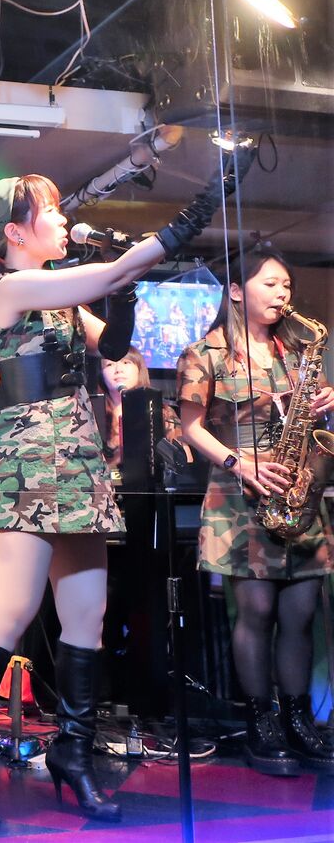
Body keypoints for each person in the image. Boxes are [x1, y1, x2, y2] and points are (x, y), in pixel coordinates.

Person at [0, 153, 248, 833]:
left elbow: (118, 351)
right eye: (50, 211)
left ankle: (72, 752)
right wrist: (193, 215)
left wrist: (124, 296)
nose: (62, 219)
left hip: (76, 460)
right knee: (9, 611)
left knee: (87, 618)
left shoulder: (64, 300)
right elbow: (105, 274)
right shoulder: (10, 288)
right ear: (14, 232)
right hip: (27, 462)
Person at [177, 246, 334, 777]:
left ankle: (298, 720)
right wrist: (237, 462)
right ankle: (260, 723)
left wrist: (324, 403)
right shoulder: (206, 353)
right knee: (257, 613)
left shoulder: (298, 350)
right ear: (236, 291)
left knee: (300, 614)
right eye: (270, 283)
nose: (282, 293)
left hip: (297, 489)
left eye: (286, 285)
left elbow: (308, 416)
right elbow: (190, 427)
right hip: (239, 492)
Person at [98, 346, 181, 474]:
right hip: (103, 481)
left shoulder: (162, 411)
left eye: (126, 362)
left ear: (139, 370)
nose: (118, 369)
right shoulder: (92, 412)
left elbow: (182, 460)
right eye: (109, 365)